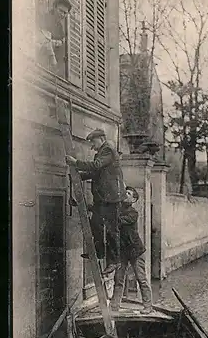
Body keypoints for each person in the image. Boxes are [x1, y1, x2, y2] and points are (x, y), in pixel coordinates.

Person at [66, 129, 126, 275]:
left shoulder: (108, 150)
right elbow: (95, 173)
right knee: (96, 224)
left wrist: (76, 163)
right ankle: (99, 252)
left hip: (112, 198)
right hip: (103, 198)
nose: (92, 146)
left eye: (93, 142)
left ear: (101, 138)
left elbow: (96, 166)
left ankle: (114, 261)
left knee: (112, 230)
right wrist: (79, 176)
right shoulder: (102, 153)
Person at [111, 186, 154, 314]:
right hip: (123, 251)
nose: (125, 194)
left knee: (141, 279)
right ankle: (114, 306)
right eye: (125, 192)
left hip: (136, 251)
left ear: (133, 199)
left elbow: (119, 221)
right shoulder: (117, 208)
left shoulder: (133, 213)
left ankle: (148, 306)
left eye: (129, 193)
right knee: (118, 279)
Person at [36, 0, 72, 72]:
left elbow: (61, 44)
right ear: (54, 7)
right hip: (39, 60)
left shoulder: (60, 28)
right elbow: (45, 40)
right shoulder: (45, 18)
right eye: (60, 10)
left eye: (65, 13)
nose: (62, 15)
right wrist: (53, 61)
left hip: (50, 66)